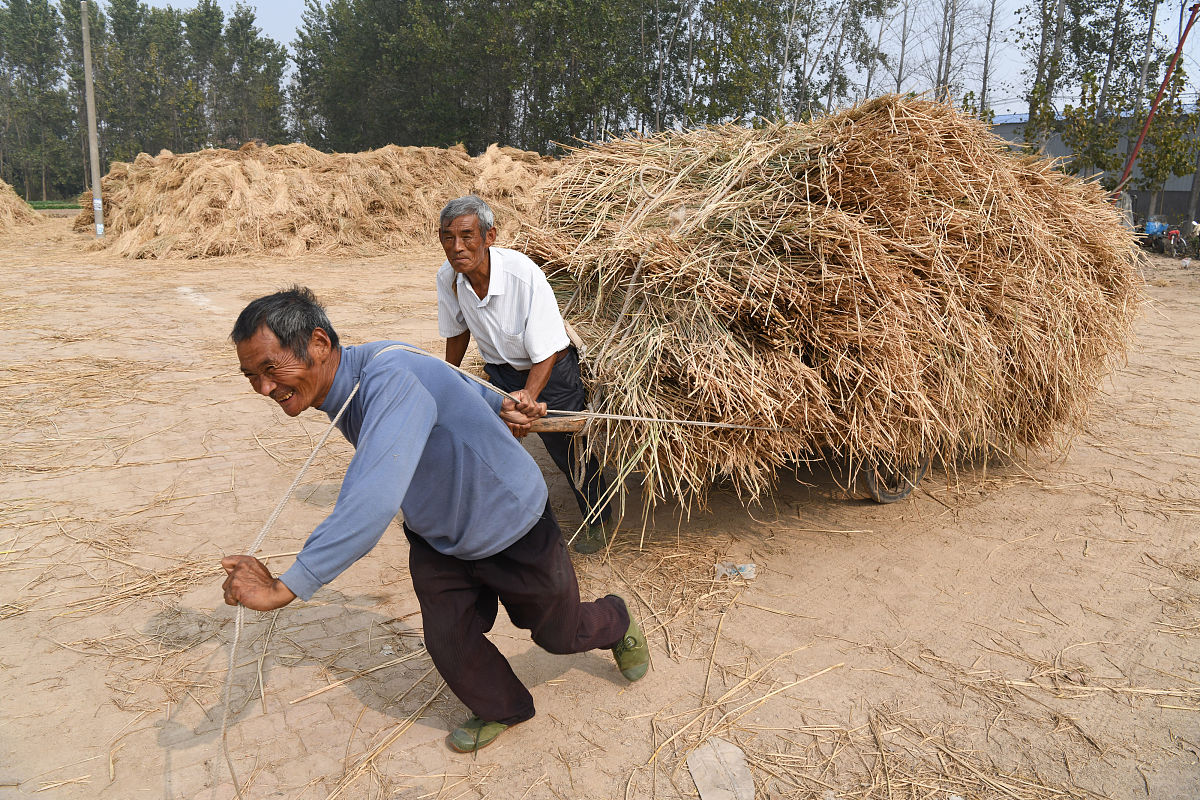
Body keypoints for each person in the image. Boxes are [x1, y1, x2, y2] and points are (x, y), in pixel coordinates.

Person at [220, 287, 648, 753]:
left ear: (319, 344)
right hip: (438, 535)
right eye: (251, 376)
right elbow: (453, 383)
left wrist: (285, 586)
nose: (264, 388)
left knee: (559, 634)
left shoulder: (389, 376)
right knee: (449, 640)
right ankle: (502, 707)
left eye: (269, 368)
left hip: (511, 523)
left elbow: (373, 497)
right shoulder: (350, 380)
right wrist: (495, 404)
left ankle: (616, 618)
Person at [436, 195, 612, 554]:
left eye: (467, 235)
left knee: (566, 449)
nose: (457, 247)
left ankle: (599, 519)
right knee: (491, 442)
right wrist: (448, 378)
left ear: (489, 236)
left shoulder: (522, 274)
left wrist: (530, 396)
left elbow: (546, 348)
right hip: (500, 371)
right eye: (447, 237)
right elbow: (457, 330)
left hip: (552, 369)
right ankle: (500, 524)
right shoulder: (448, 278)